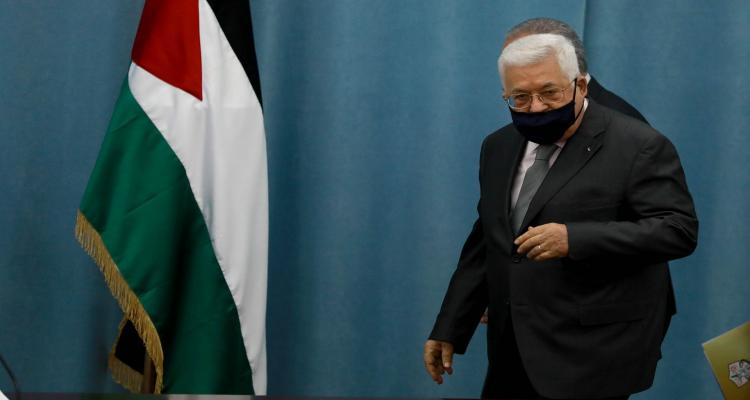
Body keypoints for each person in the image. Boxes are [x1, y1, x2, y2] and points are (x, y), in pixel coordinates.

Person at [423, 33, 698, 399]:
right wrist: (451, 326)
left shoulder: (638, 144)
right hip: (511, 349)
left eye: (549, 92)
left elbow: (678, 229)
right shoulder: (497, 146)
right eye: (520, 97)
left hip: (591, 355)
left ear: (580, 86)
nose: (536, 107)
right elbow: (488, 240)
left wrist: (574, 238)